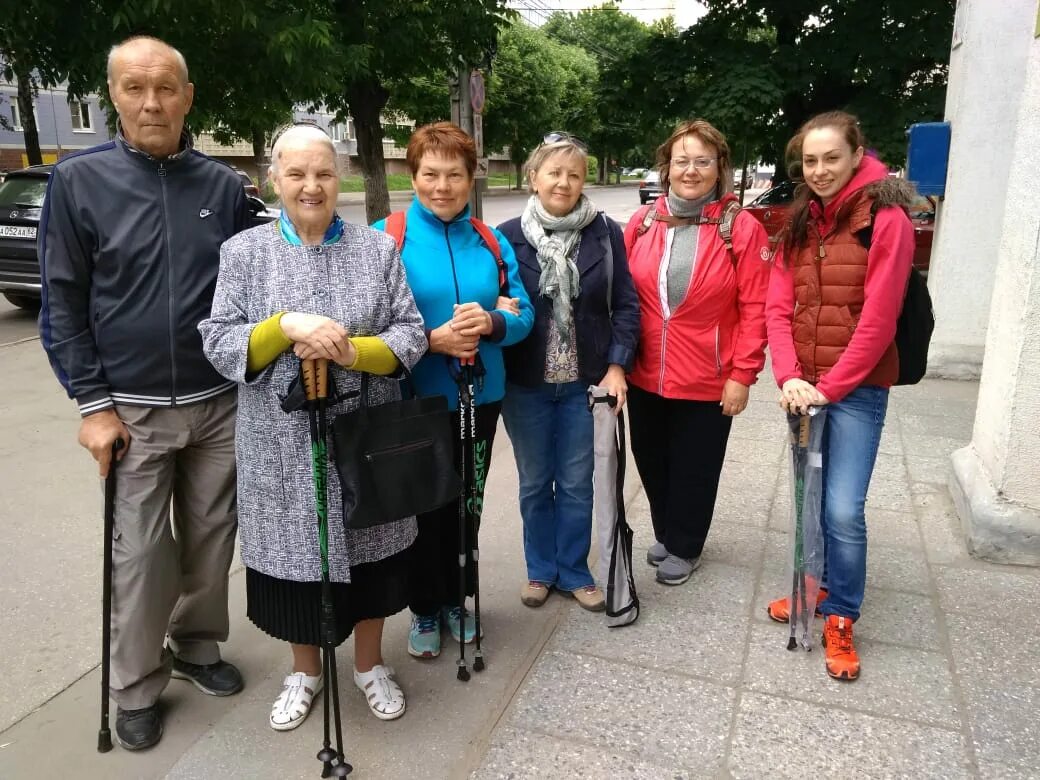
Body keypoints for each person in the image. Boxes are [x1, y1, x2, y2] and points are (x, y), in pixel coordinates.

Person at [38, 36, 247, 751]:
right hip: (130, 408)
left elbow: (264, 273)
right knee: (140, 554)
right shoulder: (78, 182)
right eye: (134, 89)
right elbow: (61, 301)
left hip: (219, 400)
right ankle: (134, 683)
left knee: (213, 543)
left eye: (166, 89)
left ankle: (196, 645)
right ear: (113, 96)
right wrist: (92, 404)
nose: (151, 103)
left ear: (189, 97)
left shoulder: (223, 187)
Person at [200, 124, 427, 729]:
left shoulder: (377, 250)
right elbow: (221, 344)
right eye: (296, 173)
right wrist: (285, 326)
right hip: (281, 447)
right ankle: (304, 672)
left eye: (323, 173)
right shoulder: (242, 253)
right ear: (273, 179)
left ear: (340, 177)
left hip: (366, 436)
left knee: (374, 559)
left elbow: (409, 333)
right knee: (295, 567)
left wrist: (355, 353)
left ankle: (370, 665)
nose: (310, 186)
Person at [372, 122, 533, 660]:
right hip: (413, 399)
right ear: (413, 175)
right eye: (430, 174)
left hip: (480, 399)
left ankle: (456, 600)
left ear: (471, 178)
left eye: (455, 175)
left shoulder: (489, 240)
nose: (442, 186)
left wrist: (491, 323)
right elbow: (364, 325)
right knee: (422, 509)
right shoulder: (386, 235)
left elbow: (524, 314)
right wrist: (428, 339)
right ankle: (423, 608)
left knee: (468, 504)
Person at [764, 111, 915, 682]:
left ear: (856, 155)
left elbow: (878, 320)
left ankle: (842, 614)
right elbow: (780, 304)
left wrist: (827, 388)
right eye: (810, 160)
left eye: (832, 158)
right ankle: (815, 586)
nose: (820, 170)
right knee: (811, 499)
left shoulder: (886, 218)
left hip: (853, 391)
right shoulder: (803, 216)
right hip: (804, 388)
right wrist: (789, 377)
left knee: (844, 509)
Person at [623, 119, 771, 586]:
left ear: (719, 168)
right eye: (681, 160)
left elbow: (756, 308)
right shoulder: (643, 222)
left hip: (709, 376)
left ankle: (687, 544)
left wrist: (742, 375)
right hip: (644, 372)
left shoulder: (740, 229)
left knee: (695, 466)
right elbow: (621, 295)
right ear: (666, 167)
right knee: (651, 459)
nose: (690, 170)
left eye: (702, 161)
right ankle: (667, 531)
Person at [496, 133, 640, 610]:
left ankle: (575, 570)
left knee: (579, 482)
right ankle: (540, 570)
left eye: (573, 173)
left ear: (583, 180)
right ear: (533, 177)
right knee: (535, 482)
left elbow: (625, 305)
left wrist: (618, 365)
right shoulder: (506, 236)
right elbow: (495, 302)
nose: (563, 181)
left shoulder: (606, 233)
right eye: (553, 172)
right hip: (526, 384)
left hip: (587, 382)